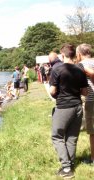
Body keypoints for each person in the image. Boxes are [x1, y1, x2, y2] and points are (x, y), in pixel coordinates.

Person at [49, 44, 88, 178]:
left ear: (63, 55)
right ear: (73, 54)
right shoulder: (80, 69)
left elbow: (53, 91)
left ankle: (66, 168)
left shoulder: (57, 68)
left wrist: (55, 94)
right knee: (72, 137)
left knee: (57, 136)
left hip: (64, 107)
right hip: (77, 106)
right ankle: (70, 165)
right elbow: (85, 91)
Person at [76, 43, 94, 165]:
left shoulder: (81, 65)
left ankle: (93, 158)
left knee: (92, 131)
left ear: (79, 54)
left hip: (91, 100)